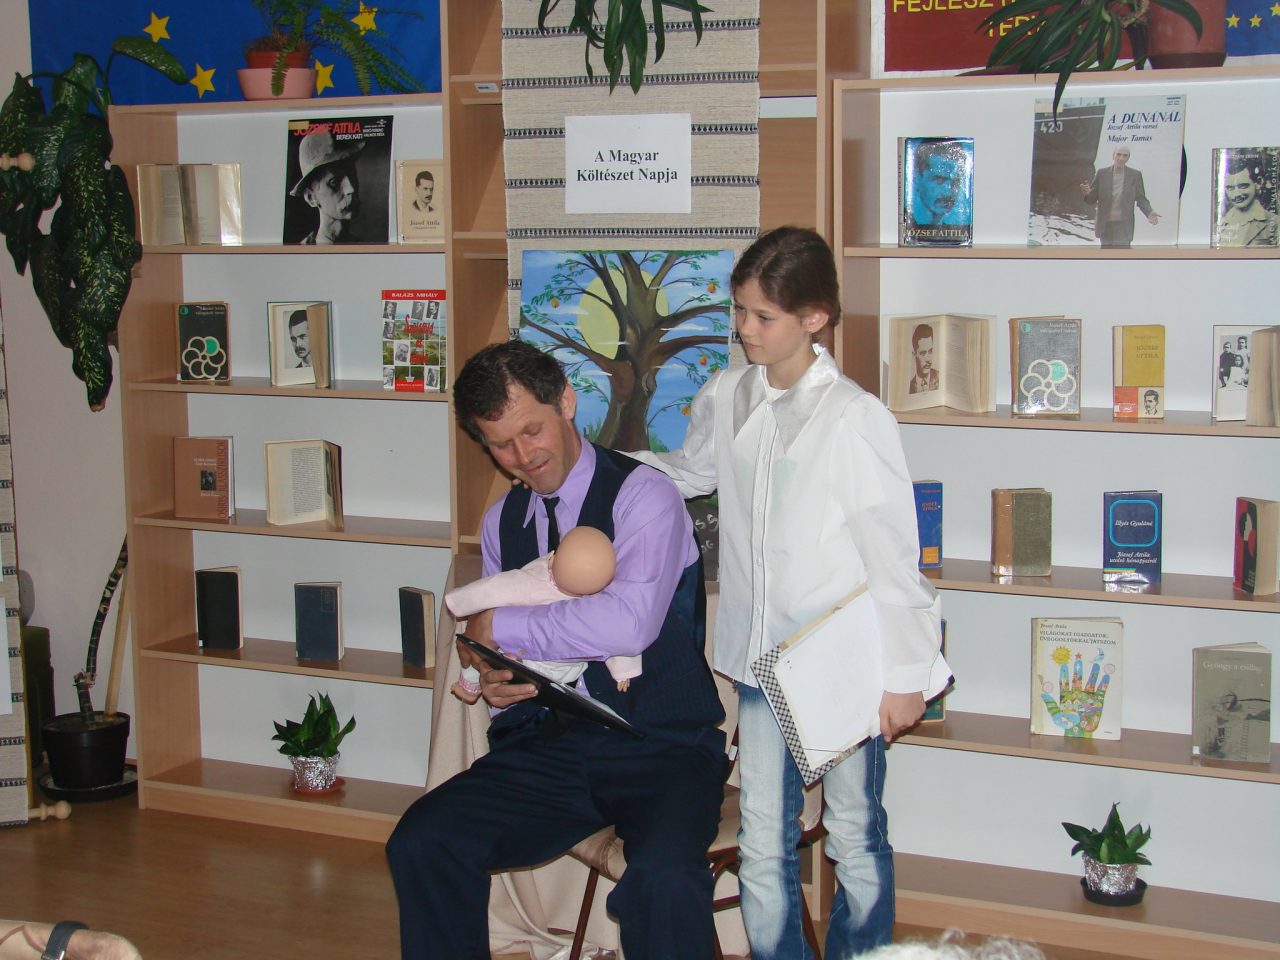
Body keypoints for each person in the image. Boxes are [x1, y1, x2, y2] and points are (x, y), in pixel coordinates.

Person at [628, 226, 944, 959]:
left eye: (763, 316)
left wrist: (904, 676)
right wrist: (604, 465)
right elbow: (692, 472)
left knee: (854, 830)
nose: (745, 328)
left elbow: (893, 555)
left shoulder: (854, 416)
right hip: (760, 662)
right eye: (739, 310)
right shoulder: (728, 393)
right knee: (762, 838)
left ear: (815, 317)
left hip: (842, 662)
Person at [385, 340, 727, 960]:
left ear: (566, 402)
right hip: (549, 749)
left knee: (665, 881)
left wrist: (502, 627)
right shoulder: (502, 522)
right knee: (423, 840)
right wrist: (499, 682)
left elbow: (627, 626)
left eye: (531, 431)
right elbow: (509, 653)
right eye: (500, 444)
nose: (523, 457)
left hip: (663, 747)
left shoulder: (645, 496)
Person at [446, 524, 641, 703]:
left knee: (488, 649)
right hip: (535, 660)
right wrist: (625, 671)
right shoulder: (531, 580)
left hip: (566, 671)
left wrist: (458, 602)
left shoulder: (533, 580)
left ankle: (481, 680)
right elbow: (617, 635)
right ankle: (475, 684)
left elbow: (492, 589)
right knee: (480, 648)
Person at [289, 130, 362, 244]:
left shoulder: (367, 248)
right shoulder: (299, 253)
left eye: (352, 175)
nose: (351, 189)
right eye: (334, 182)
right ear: (311, 198)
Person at [1079, 146, 1160, 249]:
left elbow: (1141, 199)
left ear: (1128, 158)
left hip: (1124, 225)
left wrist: (1149, 212)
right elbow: (1091, 200)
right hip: (1105, 224)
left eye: (1125, 156)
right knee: (1106, 255)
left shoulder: (1135, 175)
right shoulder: (1101, 173)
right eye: (1119, 154)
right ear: (1113, 155)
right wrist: (1087, 193)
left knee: (1122, 255)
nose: (1121, 158)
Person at [1215, 156, 1278, 248]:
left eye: (1243, 186)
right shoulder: (1218, 225)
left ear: (1258, 183)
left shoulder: (1275, 223)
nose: (1237, 194)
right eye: (1230, 188)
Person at [910, 140, 968, 226]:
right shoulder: (898, 224)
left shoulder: (956, 230)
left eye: (956, 182)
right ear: (916, 179)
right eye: (939, 180)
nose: (948, 193)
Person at [908, 322, 939, 394]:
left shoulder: (940, 378)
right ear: (914, 355)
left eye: (930, 351)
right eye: (923, 353)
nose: (928, 359)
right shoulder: (910, 388)